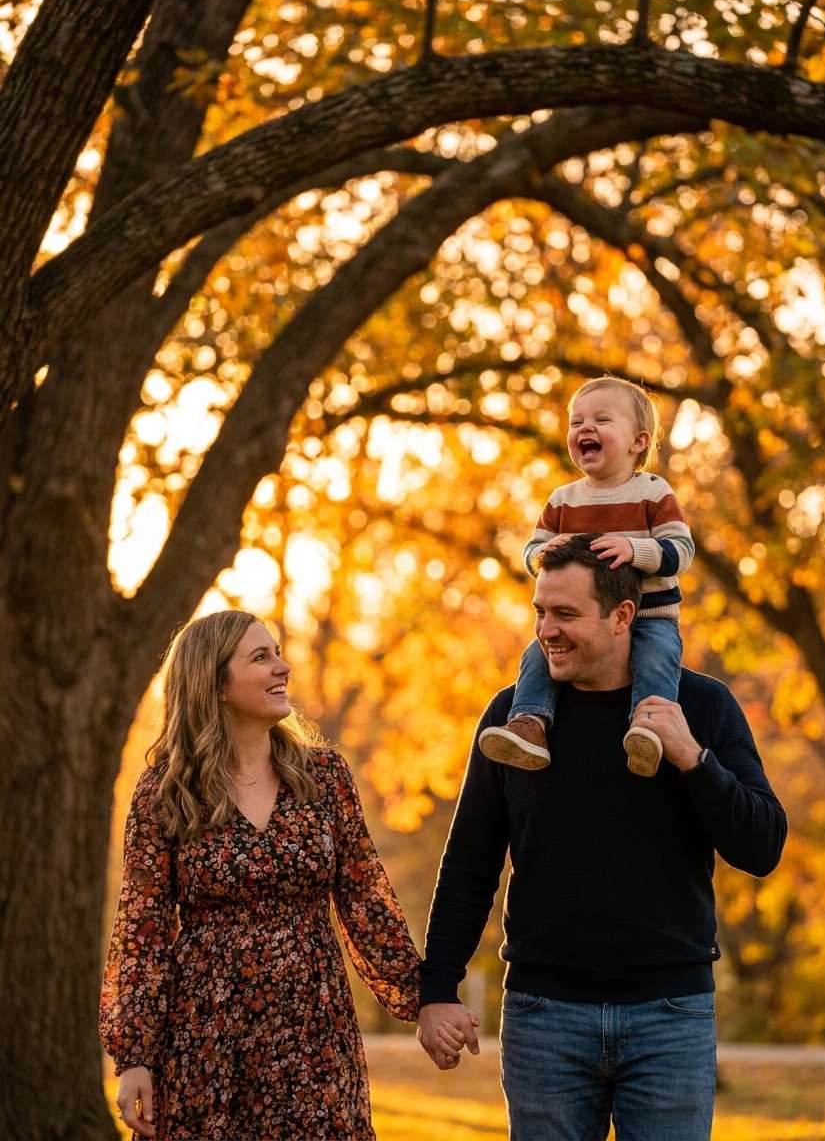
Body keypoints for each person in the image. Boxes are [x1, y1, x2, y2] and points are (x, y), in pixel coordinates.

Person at [417, 535, 786, 1141]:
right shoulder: (516, 722)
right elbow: (470, 862)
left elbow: (763, 846)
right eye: (540, 611)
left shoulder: (701, 705)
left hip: (669, 1016)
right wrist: (437, 988)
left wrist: (693, 758)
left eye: (565, 614)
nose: (546, 631)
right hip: (544, 1018)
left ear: (623, 616)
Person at [100, 610, 420, 1140]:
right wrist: (134, 1057)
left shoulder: (324, 776)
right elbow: (142, 931)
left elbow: (365, 900)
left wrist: (424, 995)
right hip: (205, 1035)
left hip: (313, 1029)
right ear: (216, 684)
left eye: (278, 652)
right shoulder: (166, 790)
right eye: (261, 657)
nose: (284, 667)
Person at [478, 375, 695, 777]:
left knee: (657, 657)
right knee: (537, 654)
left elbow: (681, 550)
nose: (585, 429)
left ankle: (648, 728)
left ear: (638, 441)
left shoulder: (652, 492)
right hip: (588, 623)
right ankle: (529, 723)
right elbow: (531, 550)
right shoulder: (564, 499)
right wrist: (540, 554)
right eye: (576, 422)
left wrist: (635, 550)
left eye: (601, 420)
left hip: (650, 614)